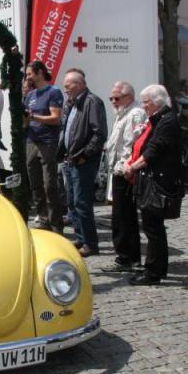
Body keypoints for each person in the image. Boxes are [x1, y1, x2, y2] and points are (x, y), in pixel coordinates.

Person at [122, 85, 182, 285]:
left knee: (153, 228)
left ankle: (153, 272)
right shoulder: (157, 119)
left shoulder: (167, 121)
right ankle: (157, 268)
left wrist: (133, 167)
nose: (144, 106)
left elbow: (154, 150)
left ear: (157, 102)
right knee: (152, 226)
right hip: (150, 179)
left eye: (146, 102)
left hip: (158, 182)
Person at [58, 69, 107, 256]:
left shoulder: (92, 102)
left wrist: (85, 155)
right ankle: (80, 238)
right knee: (73, 202)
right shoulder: (72, 103)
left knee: (82, 202)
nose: (65, 88)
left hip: (83, 161)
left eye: (68, 85)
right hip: (70, 159)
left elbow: (99, 133)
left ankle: (90, 243)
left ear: (79, 84)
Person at [102, 81, 146, 271]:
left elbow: (130, 145)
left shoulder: (135, 114)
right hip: (118, 170)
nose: (113, 101)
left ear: (128, 97)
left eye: (116, 98)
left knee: (125, 216)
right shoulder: (122, 112)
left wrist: (123, 168)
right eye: (111, 97)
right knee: (120, 216)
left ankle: (127, 258)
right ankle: (126, 256)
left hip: (125, 172)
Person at [24, 61, 65, 232]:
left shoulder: (53, 92)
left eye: (29, 74)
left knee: (49, 184)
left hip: (47, 142)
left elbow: (56, 118)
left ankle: (56, 224)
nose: (27, 77)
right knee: (35, 184)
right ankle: (43, 219)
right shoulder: (30, 95)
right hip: (31, 142)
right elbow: (27, 119)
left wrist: (33, 117)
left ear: (39, 72)